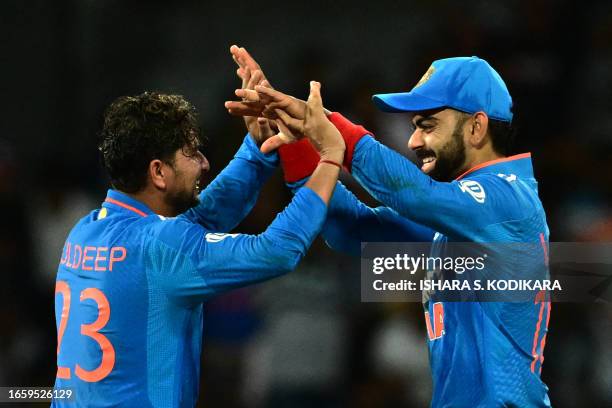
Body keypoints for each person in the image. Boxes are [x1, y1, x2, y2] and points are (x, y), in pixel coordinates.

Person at [226, 47, 552, 407]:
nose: (413, 142)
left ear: (476, 127)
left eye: (428, 125)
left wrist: (332, 130)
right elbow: (350, 229)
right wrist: (297, 141)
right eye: (414, 128)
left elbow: (417, 196)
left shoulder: (510, 199)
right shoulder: (454, 224)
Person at [52, 81, 345, 407]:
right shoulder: (160, 246)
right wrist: (330, 158)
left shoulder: (84, 230)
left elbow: (198, 220)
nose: (204, 163)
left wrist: (257, 149)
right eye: (191, 152)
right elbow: (276, 251)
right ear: (158, 172)